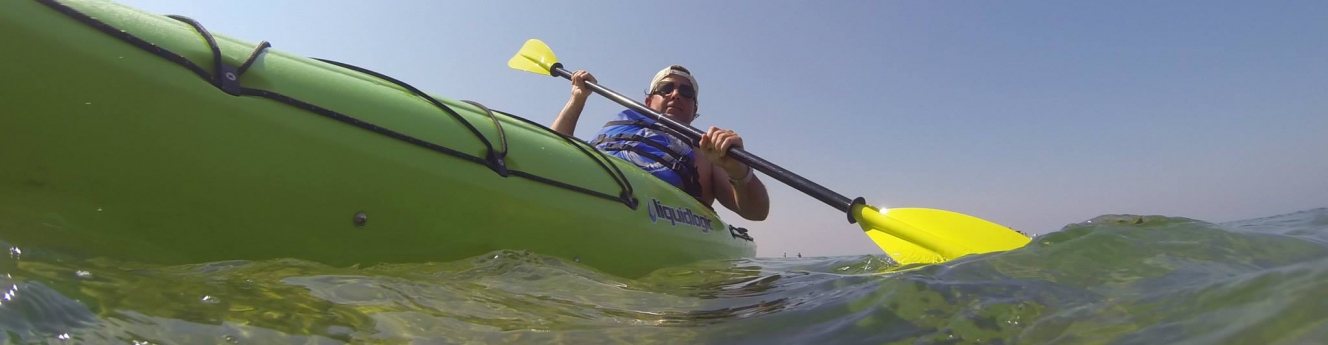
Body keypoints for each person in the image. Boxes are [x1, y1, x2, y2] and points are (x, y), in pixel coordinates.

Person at [550, 65, 769, 221]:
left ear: (694, 110)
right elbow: (552, 151)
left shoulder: (707, 151)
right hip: (581, 187)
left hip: (658, 217)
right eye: (666, 88)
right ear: (648, 101)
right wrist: (577, 99)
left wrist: (738, 170)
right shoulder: (622, 125)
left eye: (686, 92)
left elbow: (757, 212)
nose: (675, 95)